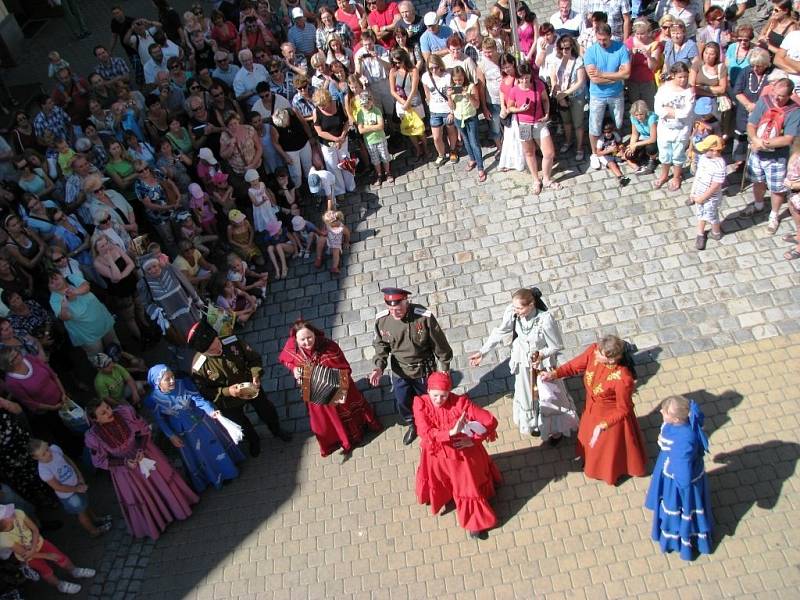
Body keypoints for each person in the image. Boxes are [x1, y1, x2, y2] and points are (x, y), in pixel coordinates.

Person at [469, 288, 578, 442]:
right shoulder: (513, 313)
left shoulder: (545, 320)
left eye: (520, 308)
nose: (516, 311)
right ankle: (534, 423)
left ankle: (554, 428)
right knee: (527, 394)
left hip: (542, 365)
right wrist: (482, 352)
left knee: (548, 395)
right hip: (523, 361)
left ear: (531, 305)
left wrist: (541, 354)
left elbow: (557, 346)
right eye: (515, 307)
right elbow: (501, 331)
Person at [541, 335, 647, 485]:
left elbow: (624, 409)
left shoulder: (623, 379)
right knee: (588, 441)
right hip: (591, 412)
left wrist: (603, 425)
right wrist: (553, 374)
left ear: (611, 359)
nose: (595, 354)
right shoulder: (593, 351)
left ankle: (610, 472)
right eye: (597, 350)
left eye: (600, 354)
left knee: (606, 451)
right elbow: (574, 366)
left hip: (610, 421)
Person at [85, 400, 198, 540]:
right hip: (127, 471)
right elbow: (99, 461)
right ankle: (157, 521)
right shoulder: (93, 437)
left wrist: (141, 448)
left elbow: (144, 429)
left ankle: (177, 509)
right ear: (95, 419)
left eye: (108, 407)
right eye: (103, 412)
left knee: (162, 482)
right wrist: (124, 462)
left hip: (146, 454)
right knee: (142, 495)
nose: (109, 412)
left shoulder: (125, 413)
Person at [413, 371, 501, 540]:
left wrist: (475, 440)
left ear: (450, 392)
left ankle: (475, 522)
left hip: (460, 459)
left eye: (444, 396)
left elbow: (490, 420)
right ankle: (446, 497)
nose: (439, 400)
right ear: (428, 390)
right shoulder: (420, 403)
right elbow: (425, 432)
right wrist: (451, 432)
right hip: (436, 456)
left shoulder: (461, 403)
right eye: (436, 395)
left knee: (466, 488)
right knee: (440, 479)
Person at [189, 318, 292, 457]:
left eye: (216, 340)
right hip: (228, 401)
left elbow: (254, 359)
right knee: (241, 422)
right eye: (213, 348)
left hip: (250, 385)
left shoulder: (232, 341)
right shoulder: (199, 368)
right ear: (204, 351)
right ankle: (253, 440)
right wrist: (228, 391)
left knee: (266, 409)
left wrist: (255, 375)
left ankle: (276, 430)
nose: (218, 346)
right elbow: (205, 391)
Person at [279, 320, 382, 458]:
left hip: (337, 389)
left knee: (346, 412)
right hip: (314, 392)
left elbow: (344, 368)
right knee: (324, 421)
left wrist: (332, 382)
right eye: (302, 339)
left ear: (314, 334)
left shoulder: (329, 347)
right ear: (295, 339)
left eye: (309, 337)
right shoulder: (292, 348)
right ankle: (335, 440)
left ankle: (353, 436)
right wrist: (294, 369)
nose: (307, 342)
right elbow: (285, 360)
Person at [370, 288, 453, 445]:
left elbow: (440, 344)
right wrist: (378, 368)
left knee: (429, 400)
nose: (395, 313)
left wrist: (444, 368)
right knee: (403, 401)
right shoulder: (382, 321)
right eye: (391, 309)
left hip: (423, 370)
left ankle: (433, 424)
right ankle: (412, 424)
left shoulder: (423, 317)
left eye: (399, 309)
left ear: (406, 301)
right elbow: (381, 348)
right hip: (400, 372)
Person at [144, 365, 245, 493]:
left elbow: (198, 399)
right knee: (200, 455)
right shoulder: (154, 400)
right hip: (185, 434)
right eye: (167, 379)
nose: (172, 381)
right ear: (157, 382)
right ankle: (211, 478)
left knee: (214, 447)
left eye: (172, 377)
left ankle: (228, 470)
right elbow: (161, 420)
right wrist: (171, 435)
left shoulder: (183, 384)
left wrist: (210, 411)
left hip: (201, 423)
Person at [645, 396, 713, 560]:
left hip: (678, 481)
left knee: (680, 509)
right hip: (674, 466)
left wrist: (684, 492)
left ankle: (680, 540)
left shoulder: (682, 439)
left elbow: (682, 472)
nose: (661, 411)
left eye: (665, 411)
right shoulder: (680, 424)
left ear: (675, 418)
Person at [744, 78, 800, 235]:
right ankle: (758, 204)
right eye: (775, 93)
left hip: (777, 157)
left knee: (777, 188)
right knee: (758, 180)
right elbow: (751, 124)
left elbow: (788, 138)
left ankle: (774, 215)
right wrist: (755, 139)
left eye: (781, 96)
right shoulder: (764, 101)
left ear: (789, 95)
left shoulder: (794, 111)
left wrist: (763, 143)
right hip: (757, 151)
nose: (776, 97)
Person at [0, 503, 95, 595]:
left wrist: (33, 548)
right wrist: (47, 555)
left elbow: (35, 529)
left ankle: (74, 570)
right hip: (30, 557)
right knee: (45, 570)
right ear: (2, 522)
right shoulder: (3, 538)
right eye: (7, 514)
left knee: (60, 556)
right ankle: (59, 585)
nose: (12, 511)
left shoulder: (18, 513)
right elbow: (24, 554)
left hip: (38, 544)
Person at [30, 439, 112, 538]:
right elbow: (58, 487)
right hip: (68, 494)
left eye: (47, 449)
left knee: (85, 504)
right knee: (81, 512)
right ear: (35, 457)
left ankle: (95, 519)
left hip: (77, 485)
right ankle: (94, 531)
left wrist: (79, 476)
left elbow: (68, 461)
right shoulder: (44, 471)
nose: (48, 453)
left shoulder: (55, 449)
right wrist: (76, 489)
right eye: (43, 454)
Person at [506, 63, 560, 193]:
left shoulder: (538, 85)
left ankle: (546, 178)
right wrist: (519, 109)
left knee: (549, 153)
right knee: (529, 153)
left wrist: (547, 114)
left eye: (527, 77)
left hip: (539, 123)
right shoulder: (514, 90)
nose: (525, 80)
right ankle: (536, 179)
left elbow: (545, 100)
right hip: (524, 125)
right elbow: (509, 107)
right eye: (522, 78)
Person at [585, 23, 631, 171]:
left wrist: (603, 74)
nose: (602, 42)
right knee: (594, 125)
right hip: (597, 95)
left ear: (610, 36)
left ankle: (616, 149)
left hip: (616, 94)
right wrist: (617, 77)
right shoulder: (591, 52)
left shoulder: (621, 48)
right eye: (599, 39)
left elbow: (627, 73)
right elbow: (594, 79)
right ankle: (595, 153)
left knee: (617, 123)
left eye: (604, 39)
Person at [137, 256, 203, 347]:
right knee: (187, 338)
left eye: (154, 266)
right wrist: (156, 312)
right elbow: (146, 303)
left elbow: (186, 283)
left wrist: (196, 299)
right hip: (172, 318)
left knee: (199, 331)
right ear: (145, 271)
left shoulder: (170, 269)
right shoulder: (144, 284)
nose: (153, 270)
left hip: (188, 310)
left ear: (158, 264)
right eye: (149, 269)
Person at [653, 62, 695, 191]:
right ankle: (664, 175)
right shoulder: (664, 89)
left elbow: (685, 112)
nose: (683, 80)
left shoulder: (689, 91)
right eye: (680, 77)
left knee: (678, 154)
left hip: (682, 129)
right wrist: (672, 112)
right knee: (665, 153)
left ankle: (677, 176)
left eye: (685, 77)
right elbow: (658, 109)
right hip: (665, 128)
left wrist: (670, 111)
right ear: (673, 75)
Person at [550, 35, 587, 158]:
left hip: (575, 96)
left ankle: (580, 147)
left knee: (578, 123)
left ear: (572, 47)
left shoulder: (578, 61)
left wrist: (564, 94)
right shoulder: (557, 59)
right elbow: (553, 75)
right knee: (566, 122)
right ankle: (568, 141)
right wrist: (556, 87)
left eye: (567, 48)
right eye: (562, 48)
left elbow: (580, 81)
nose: (564, 51)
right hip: (561, 95)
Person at [688, 135, 726, 250]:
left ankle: (716, 232)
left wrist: (703, 197)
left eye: (706, 149)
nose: (703, 151)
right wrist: (692, 192)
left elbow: (715, 185)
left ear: (714, 151)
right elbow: (698, 175)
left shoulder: (720, 165)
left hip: (711, 197)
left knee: (711, 215)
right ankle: (700, 233)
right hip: (699, 191)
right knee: (700, 213)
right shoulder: (704, 157)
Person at [625, 100, 659, 174]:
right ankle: (643, 156)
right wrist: (631, 145)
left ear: (645, 112)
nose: (639, 117)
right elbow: (634, 134)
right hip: (643, 137)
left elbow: (653, 139)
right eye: (636, 115)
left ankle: (652, 160)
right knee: (628, 154)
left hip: (655, 138)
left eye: (641, 114)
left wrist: (636, 144)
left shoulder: (651, 118)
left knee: (651, 148)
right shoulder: (633, 118)